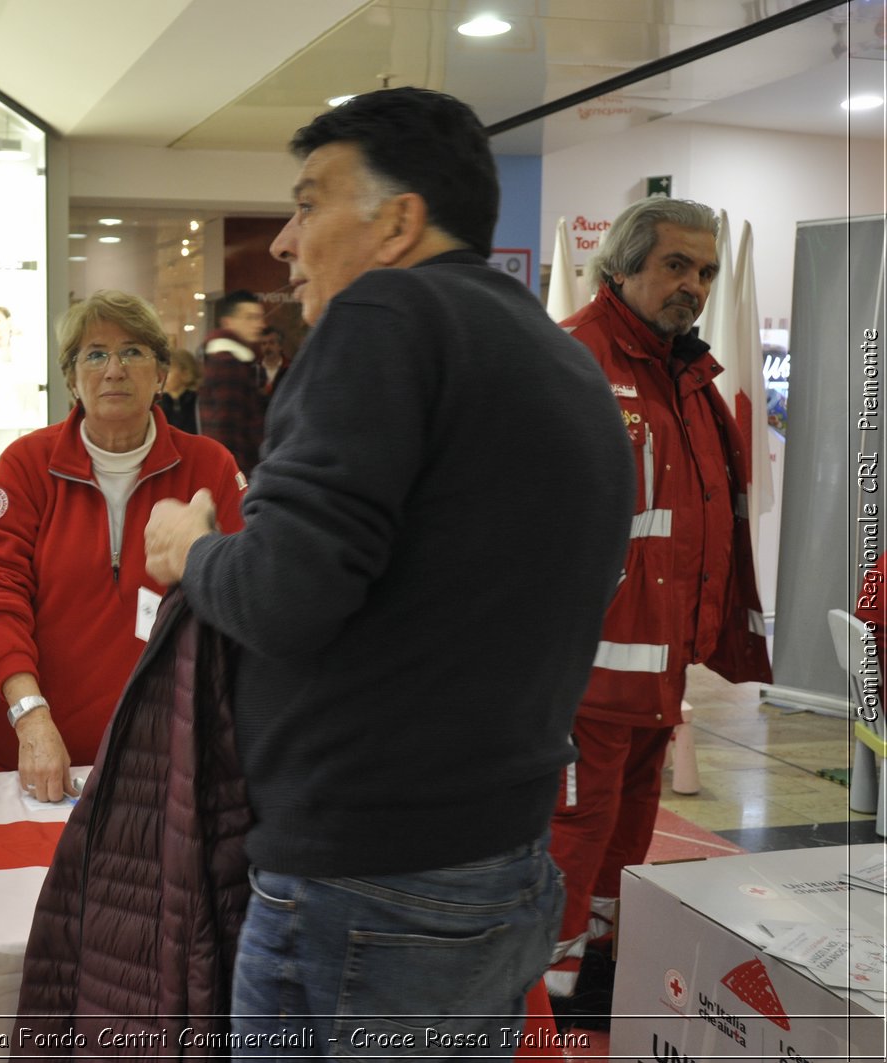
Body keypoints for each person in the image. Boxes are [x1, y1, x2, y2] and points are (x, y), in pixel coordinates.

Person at [142, 87, 636, 1055]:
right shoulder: (559, 357)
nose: (285, 243)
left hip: (368, 873)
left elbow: (284, 595)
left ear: (399, 221)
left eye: (308, 203)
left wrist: (188, 551)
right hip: (497, 853)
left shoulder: (384, 313)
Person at [543, 196, 772, 1023]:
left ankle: (599, 972)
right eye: (675, 265)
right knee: (571, 838)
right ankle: (547, 994)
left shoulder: (690, 378)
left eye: (705, 272)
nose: (693, 286)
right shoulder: (570, 359)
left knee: (627, 837)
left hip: (657, 673)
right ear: (624, 265)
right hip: (582, 676)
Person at [0, 290, 246, 802]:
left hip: (157, 751)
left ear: (161, 373)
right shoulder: (26, 464)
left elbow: (242, 593)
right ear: (71, 378)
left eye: (134, 351)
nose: (114, 369)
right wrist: (30, 716)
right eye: (95, 354)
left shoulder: (211, 467)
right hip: (20, 743)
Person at [197, 289, 267, 474]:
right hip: (239, 471)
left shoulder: (235, 359)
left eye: (260, 317)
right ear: (228, 322)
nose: (259, 324)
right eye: (250, 318)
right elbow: (226, 426)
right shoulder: (228, 362)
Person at [155, 347, 201, 434]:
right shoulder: (159, 404)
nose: (162, 377)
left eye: (168, 372)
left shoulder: (199, 402)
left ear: (186, 373)